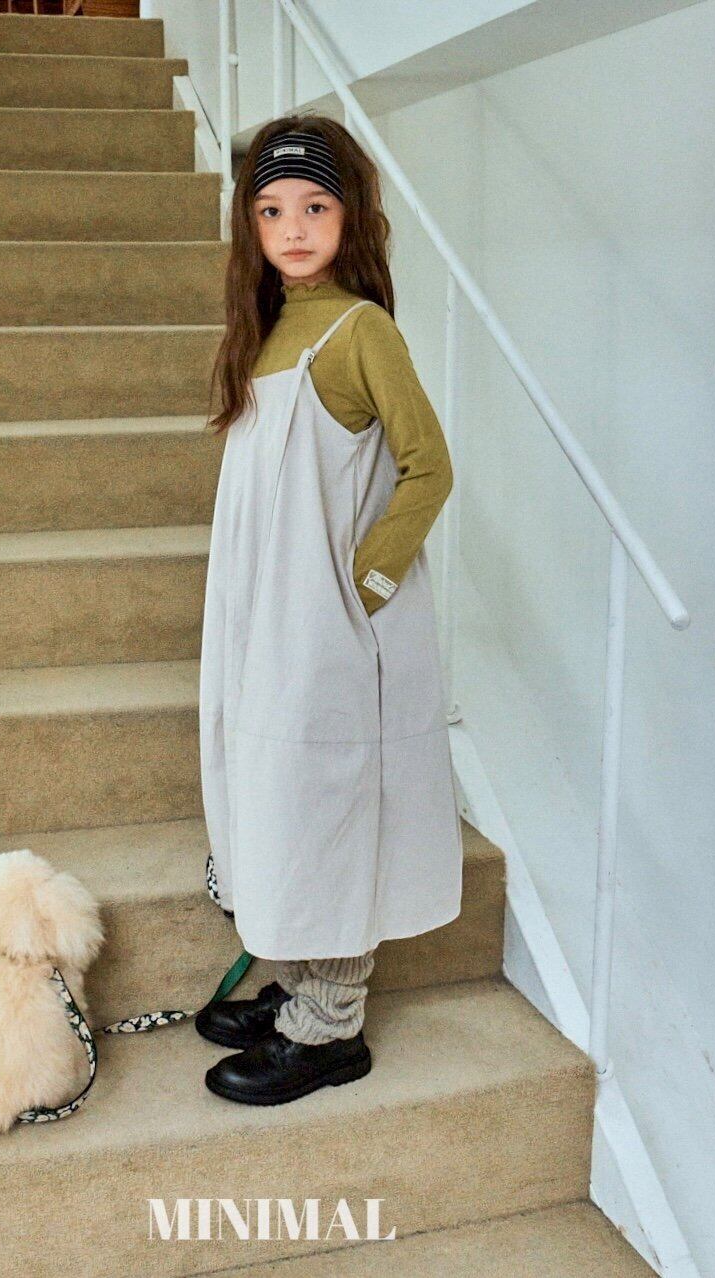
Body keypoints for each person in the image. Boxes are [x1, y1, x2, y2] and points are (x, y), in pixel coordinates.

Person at [196, 116, 463, 1106]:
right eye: (271, 211)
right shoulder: (265, 334)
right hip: (262, 615)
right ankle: (304, 979)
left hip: (327, 623)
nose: (294, 228)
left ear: (351, 217)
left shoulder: (361, 331)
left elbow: (429, 468)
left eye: (314, 206)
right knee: (274, 788)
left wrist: (368, 583)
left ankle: (330, 1025)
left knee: (326, 797)